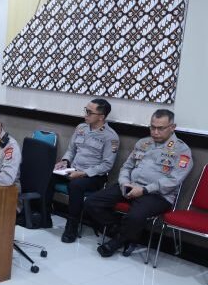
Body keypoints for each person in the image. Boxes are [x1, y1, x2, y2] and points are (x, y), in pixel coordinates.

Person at [84, 109, 192, 258]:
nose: (155, 132)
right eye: (152, 127)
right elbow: (127, 167)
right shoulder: (143, 143)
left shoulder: (182, 150)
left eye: (160, 128)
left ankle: (116, 242)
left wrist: (144, 190)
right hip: (130, 186)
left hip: (158, 195)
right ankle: (121, 231)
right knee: (92, 202)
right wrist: (124, 183)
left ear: (172, 127)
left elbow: (174, 180)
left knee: (135, 216)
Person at [53, 99, 119, 243]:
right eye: (86, 110)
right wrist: (65, 161)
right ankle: (43, 215)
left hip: (93, 177)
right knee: (47, 174)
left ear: (101, 117)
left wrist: (82, 173)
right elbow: (71, 150)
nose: (85, 114)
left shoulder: (110, 137)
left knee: (76, 185)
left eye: (90, 112)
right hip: (73, 169)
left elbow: (107, 165)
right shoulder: (81, 128)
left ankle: (71, 227)